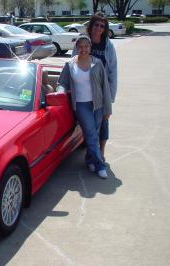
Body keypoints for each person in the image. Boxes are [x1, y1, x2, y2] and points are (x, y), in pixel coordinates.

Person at [58, 35, 112, 179]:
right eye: (80, 47)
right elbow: (62, 83)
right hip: (81, 105)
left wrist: (108, 109)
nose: (83, 49)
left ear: (90, 48)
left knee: (93, 133)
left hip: (98, 104)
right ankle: (100, 166)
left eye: (86, 46)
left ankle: (90, 160)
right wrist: (60, 92)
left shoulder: (97, 63)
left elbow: (105, 87)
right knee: (91, 134)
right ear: (76, 48)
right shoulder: (70, 65)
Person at [73, 12, 117, 161]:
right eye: (96, 25)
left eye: (102, 26)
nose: (99, 28)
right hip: (83, 92)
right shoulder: (82, 41)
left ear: (105, 28)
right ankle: (91, 154)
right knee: (88, 126)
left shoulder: (108, 45)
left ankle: (101, 153)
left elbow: (113, 72)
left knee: (103, 123)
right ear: (91, 26)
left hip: (101, 91)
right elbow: (72, 62)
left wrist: (110, 98)